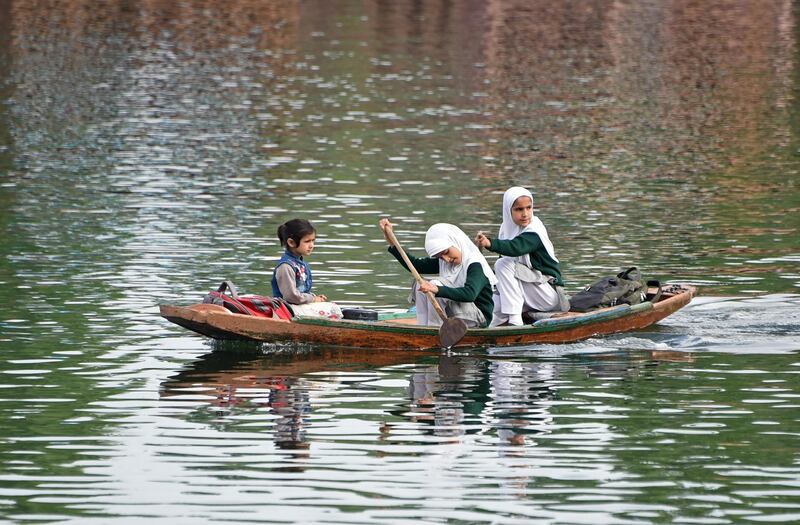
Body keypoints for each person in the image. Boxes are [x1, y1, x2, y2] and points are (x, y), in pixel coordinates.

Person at [475, 186, 569, 326]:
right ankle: (486, 330)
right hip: (527, 290)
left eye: (528, 208)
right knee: (492, 309)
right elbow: (505, 272)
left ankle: (515, 321)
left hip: (547, 295)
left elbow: (516, 247)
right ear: (508, 210)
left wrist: (490, 244)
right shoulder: (506, 228)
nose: (525, 214)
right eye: (519, 209)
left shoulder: (534, 230)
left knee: (502, 264)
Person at [379, 219, 496, 328]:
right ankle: (424, 326)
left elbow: (469, 294)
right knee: (422, 285)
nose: (446, 259)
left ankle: (435, 327)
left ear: (455, 242)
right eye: (439, 256)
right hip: (458, 313)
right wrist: (391, 240)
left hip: (478, 318)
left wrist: (437, 290)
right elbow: (415, 265)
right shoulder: (444, 260)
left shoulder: (475, 264)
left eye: (446, 252)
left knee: (434, 285)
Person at [271, 218, 342, 319]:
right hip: (286, 310)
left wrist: (315, 298)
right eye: (307, 241)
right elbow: (291, 297)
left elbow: (302, 293)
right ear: (291, 243)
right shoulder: (285, 267)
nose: (311, 245)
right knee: (332, 310)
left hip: (297, 307)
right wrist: (313, 299)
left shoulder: (300, 263)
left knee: (333, 307)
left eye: (313, 241)